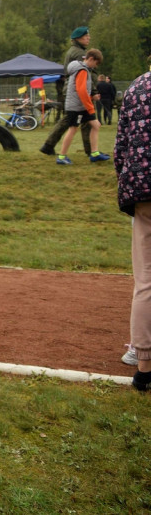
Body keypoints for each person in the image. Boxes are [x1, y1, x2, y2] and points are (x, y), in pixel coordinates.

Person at [113, 54, 151, 391]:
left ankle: (143, 363)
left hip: (141, 189)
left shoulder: (137, 87)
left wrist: (127, 183)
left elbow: (121, 147)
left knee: (146, 280)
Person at [40, 26, 94, 157]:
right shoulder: (79, 54)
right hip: (76, 91)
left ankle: (49, 145)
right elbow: (84, 74)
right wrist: (93, 90)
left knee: (71, 120)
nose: (89, 38)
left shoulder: (74, 51)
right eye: (86, 36)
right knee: (80, 120)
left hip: (71, 90)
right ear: (79, 38)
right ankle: (91, 150)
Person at [57, 48, 110, 164]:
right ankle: (61, 157)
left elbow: (82, 90)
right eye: (96, 63)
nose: (95, 66)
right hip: (76, 107)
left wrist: (91, 98)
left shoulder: (82, 69)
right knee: (73, 129)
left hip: (81, 105)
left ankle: (94, 153)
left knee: (96, 125)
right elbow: (81, 91)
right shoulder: (82, 71)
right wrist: (90, 107)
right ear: (91, 59)